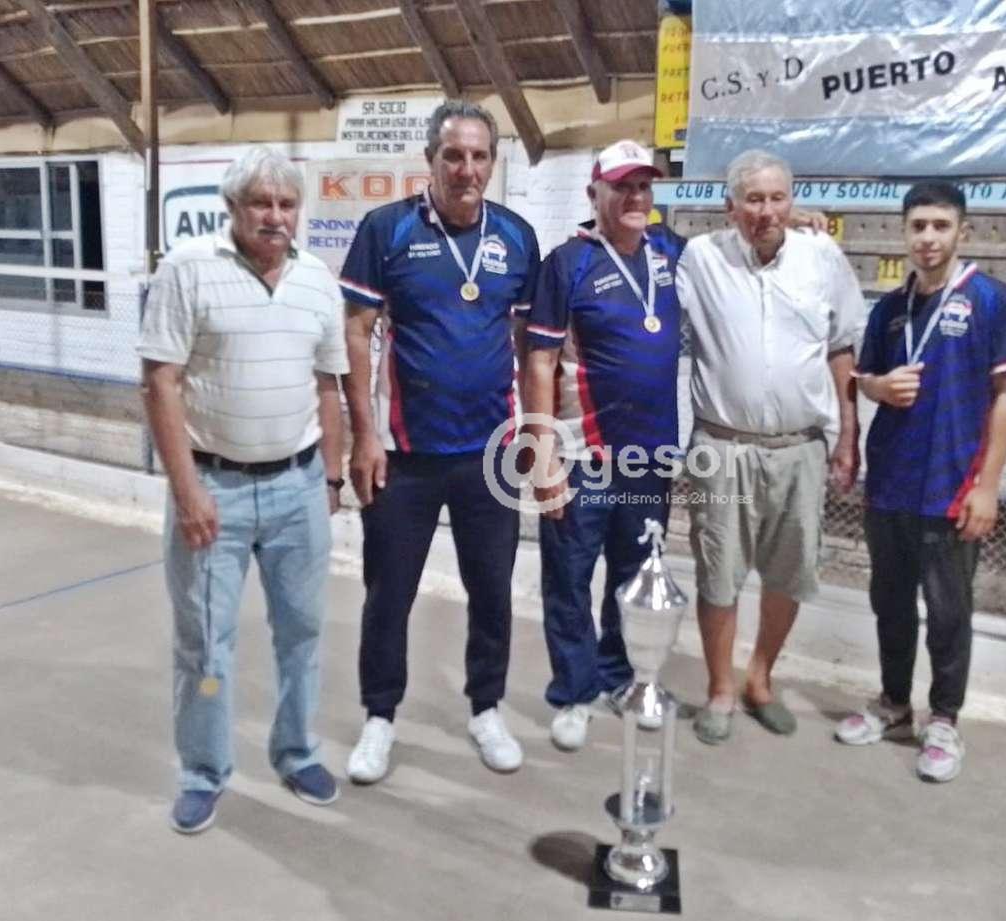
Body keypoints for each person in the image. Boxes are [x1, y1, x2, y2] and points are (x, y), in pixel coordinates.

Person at [139, 146, 348, 834]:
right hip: (214, 492)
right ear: (232, 207)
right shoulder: (188, 269)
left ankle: (297, 751)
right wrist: (188, 490)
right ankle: (203, 771)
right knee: (205, 643)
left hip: (298, 486)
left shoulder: (317, 280)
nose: (275, 216)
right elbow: (160, 382)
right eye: (261, 203)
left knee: (303, 632)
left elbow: (329, 385)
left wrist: (332, 476)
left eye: (287, 204)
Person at [338, 100, 540, 782]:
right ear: (431, 160)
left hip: (489, 455)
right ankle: (379, 717)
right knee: (388, 593)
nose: (466, 169)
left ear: (493, 163)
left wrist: (531, 431)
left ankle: (486, 708)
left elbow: (527, 344)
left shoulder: (516, 236)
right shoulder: (387, 230)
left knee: (492, 591)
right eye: (453, 155)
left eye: (479, 156)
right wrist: (364, 436)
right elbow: (357, 331)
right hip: (404, 455)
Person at [834, 180, 1006, 783]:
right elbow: (865, 380)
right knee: (890, 603)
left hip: (952, 486)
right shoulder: (889, 309)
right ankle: (894, 704)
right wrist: (877, 387)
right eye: (917, 225)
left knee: (949, 611)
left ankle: (944, 718)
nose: (928, 237)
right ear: (904, 232)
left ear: (962, 232)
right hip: (891, 483)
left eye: (940, 226)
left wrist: (988, 486)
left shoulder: (991, 301)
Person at [674, 149, 864, 745]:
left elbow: (841, 346)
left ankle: (759, 679)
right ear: (729, 206)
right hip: (722, 447)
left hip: (800, 448)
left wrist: (848, 433)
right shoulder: (699, 258)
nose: (767, 210)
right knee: (718, 574)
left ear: (792, 199)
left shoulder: (821, 256)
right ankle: (720, 689)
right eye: (753, 199)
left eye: (778, 198)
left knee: (788, 574)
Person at [520, 140, 683, 751]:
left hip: (650, 457)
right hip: (581, 455)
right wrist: (541, 454)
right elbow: (538, 360)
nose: (635, 196)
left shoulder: (671, 251)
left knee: (634, 575)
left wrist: (800, 226)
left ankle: (619, 677)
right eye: (622, 186)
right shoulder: (569, 263)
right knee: (569, 577)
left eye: (644, 186)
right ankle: (573, 692)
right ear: (595, 193)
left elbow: (737, 248)